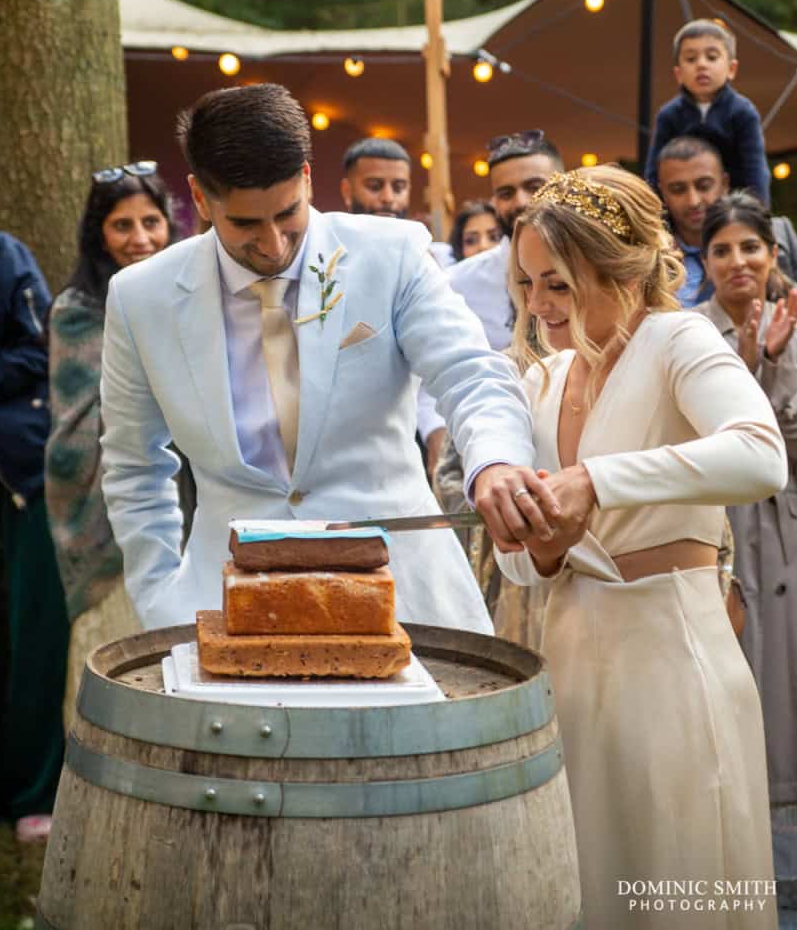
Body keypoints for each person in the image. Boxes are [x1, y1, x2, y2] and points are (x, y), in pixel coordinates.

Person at [99, 83, 554, 633]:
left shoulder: (392, 254)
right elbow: (133, 464)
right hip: (226, 604)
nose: (272, 245)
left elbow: (471, 374)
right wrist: (158, 596)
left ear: (308, 180)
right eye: (244, 224)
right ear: (199, 198)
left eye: (288, 214)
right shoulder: (139, 297)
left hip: (403, 593)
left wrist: (496, 460)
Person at [491, 166, 784, 928]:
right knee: (585, 884)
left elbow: (759, 457)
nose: (538, 308)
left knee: (668, 879)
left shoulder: (674, 338)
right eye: (526, 286)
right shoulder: (544, 379)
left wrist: (595, 479)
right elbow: (523, 567)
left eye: (556, 285)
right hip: (569, 663)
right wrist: (539, 543)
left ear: (616, 271)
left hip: (668, 661)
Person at [45, 163, 183, 728]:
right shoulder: (78, 309)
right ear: (98, 234)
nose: (141, 238)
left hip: (192, 496)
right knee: (114, 642)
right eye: (122, 225)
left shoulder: (187, 295)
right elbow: (78, 426)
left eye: (151, 221)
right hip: (105, 503)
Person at [696, 193, 797, 897]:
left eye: (749, 247)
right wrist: (748, 365)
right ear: (703, 262)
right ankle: (745, 867)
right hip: (726, 539)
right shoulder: (690, 334)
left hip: (789, 531)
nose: (738, 261)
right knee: (741, 689)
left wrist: (778, 366)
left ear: (773, 255)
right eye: (722, 249)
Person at [418, 131, 562, 473]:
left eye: (534, 186)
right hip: (484, 461)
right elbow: (429, 376)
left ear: (562, 184)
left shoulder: (589, 275)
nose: (520, 202)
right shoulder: (457, 283)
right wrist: (437, 436)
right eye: (505, 193)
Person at [0, 233, 68, 845]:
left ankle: (31, 792)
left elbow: (35, 346)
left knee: (31, 637)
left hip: (18, 476)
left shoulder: (3, 255)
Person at [644, 18, 770, 205]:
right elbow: (653, 175)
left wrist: (756, 217)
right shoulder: (668, 115)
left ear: (731, 69)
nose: (701, 65)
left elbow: (755, 172)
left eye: (712, 57)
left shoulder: (744, 113)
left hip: (732, 212)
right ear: (678, 73)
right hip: (681, 214)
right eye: (691, 59)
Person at [655, 135, 729, 306]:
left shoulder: (769, 239)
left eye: (704, 186)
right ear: (663, 193)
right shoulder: (651, 259)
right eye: (678, 189)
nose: (693, 201)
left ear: (724, 184)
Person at [340, 138, 411, 218]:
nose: (388, 198)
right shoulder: (327, 229)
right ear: (347, 191)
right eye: (374, 186)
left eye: (398, 188)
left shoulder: (420, 230)